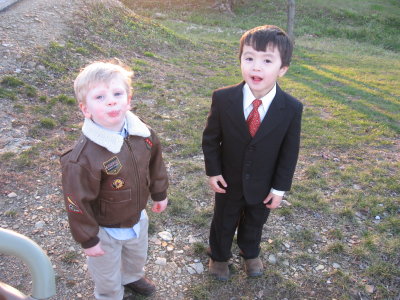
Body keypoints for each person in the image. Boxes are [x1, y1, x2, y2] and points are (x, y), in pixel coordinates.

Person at [60, 60, 169, 300]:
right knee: (107, 273)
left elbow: (156, 164)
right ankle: (109, 295)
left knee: (136, 254)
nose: (111, 100)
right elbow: (76, 201)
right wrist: (88, 239)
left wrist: (159, 193)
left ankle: (131, 277)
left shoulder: (144, 135)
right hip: (105, 228)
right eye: (100, 97)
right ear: (85, 109)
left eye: (117, 93)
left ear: (128, 100)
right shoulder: (82, 159)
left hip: (137, 216)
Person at [202, 25, 303, 281]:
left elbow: (289, 152)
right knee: (224, 220)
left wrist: (279, 189)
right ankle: (219, 256)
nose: (256, 67)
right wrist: (213, 171)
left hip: (264, 183)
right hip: (228, 180)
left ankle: (250, 252)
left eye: (267, 60)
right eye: (249, 58)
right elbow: (211, 139)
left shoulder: (291, 108)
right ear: (240, 61)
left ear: (283, 69)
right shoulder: (223, 98)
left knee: (255, 221)